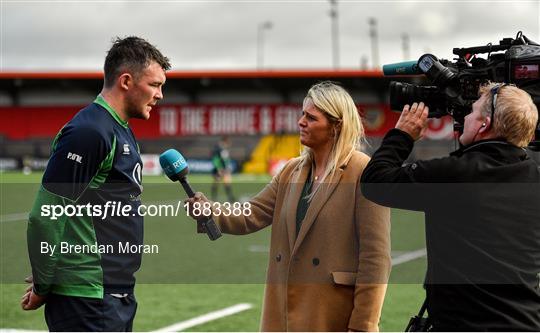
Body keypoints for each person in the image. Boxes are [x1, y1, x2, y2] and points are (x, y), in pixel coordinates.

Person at [187, 81, 391, 331]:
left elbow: (376, 258)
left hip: (331, 316)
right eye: (302, 114)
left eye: (311, 117)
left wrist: (363, 326)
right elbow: (250, 213)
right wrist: (210, 210)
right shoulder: (290, 171)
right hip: (282, 313)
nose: (301, 122)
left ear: (336, 126)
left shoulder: (364, 172)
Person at [361, 83, 540, 331]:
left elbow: (375, 182)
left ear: (484, 124)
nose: (464, 117)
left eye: (472, 111)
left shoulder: (454, 174)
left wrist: (401, 135)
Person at [21, 36, 170, 331]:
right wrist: (43, 282)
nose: (160, 95)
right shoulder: (89, 131)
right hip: (87, 298)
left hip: (113, 294)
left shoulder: (120, 129)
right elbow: (46, 216)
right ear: (126, 81)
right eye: (155, 85)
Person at [211, 136, 236, 201]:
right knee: (217, 183)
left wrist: (227, 168)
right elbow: (215, 159)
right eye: (228, 142)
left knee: (227, 183)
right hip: (219, 170)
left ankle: (230, 197)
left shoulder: (224, 150)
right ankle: (214, 198)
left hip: (225, 170)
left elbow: (226, 160)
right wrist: (218, 169)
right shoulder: (218, 149)